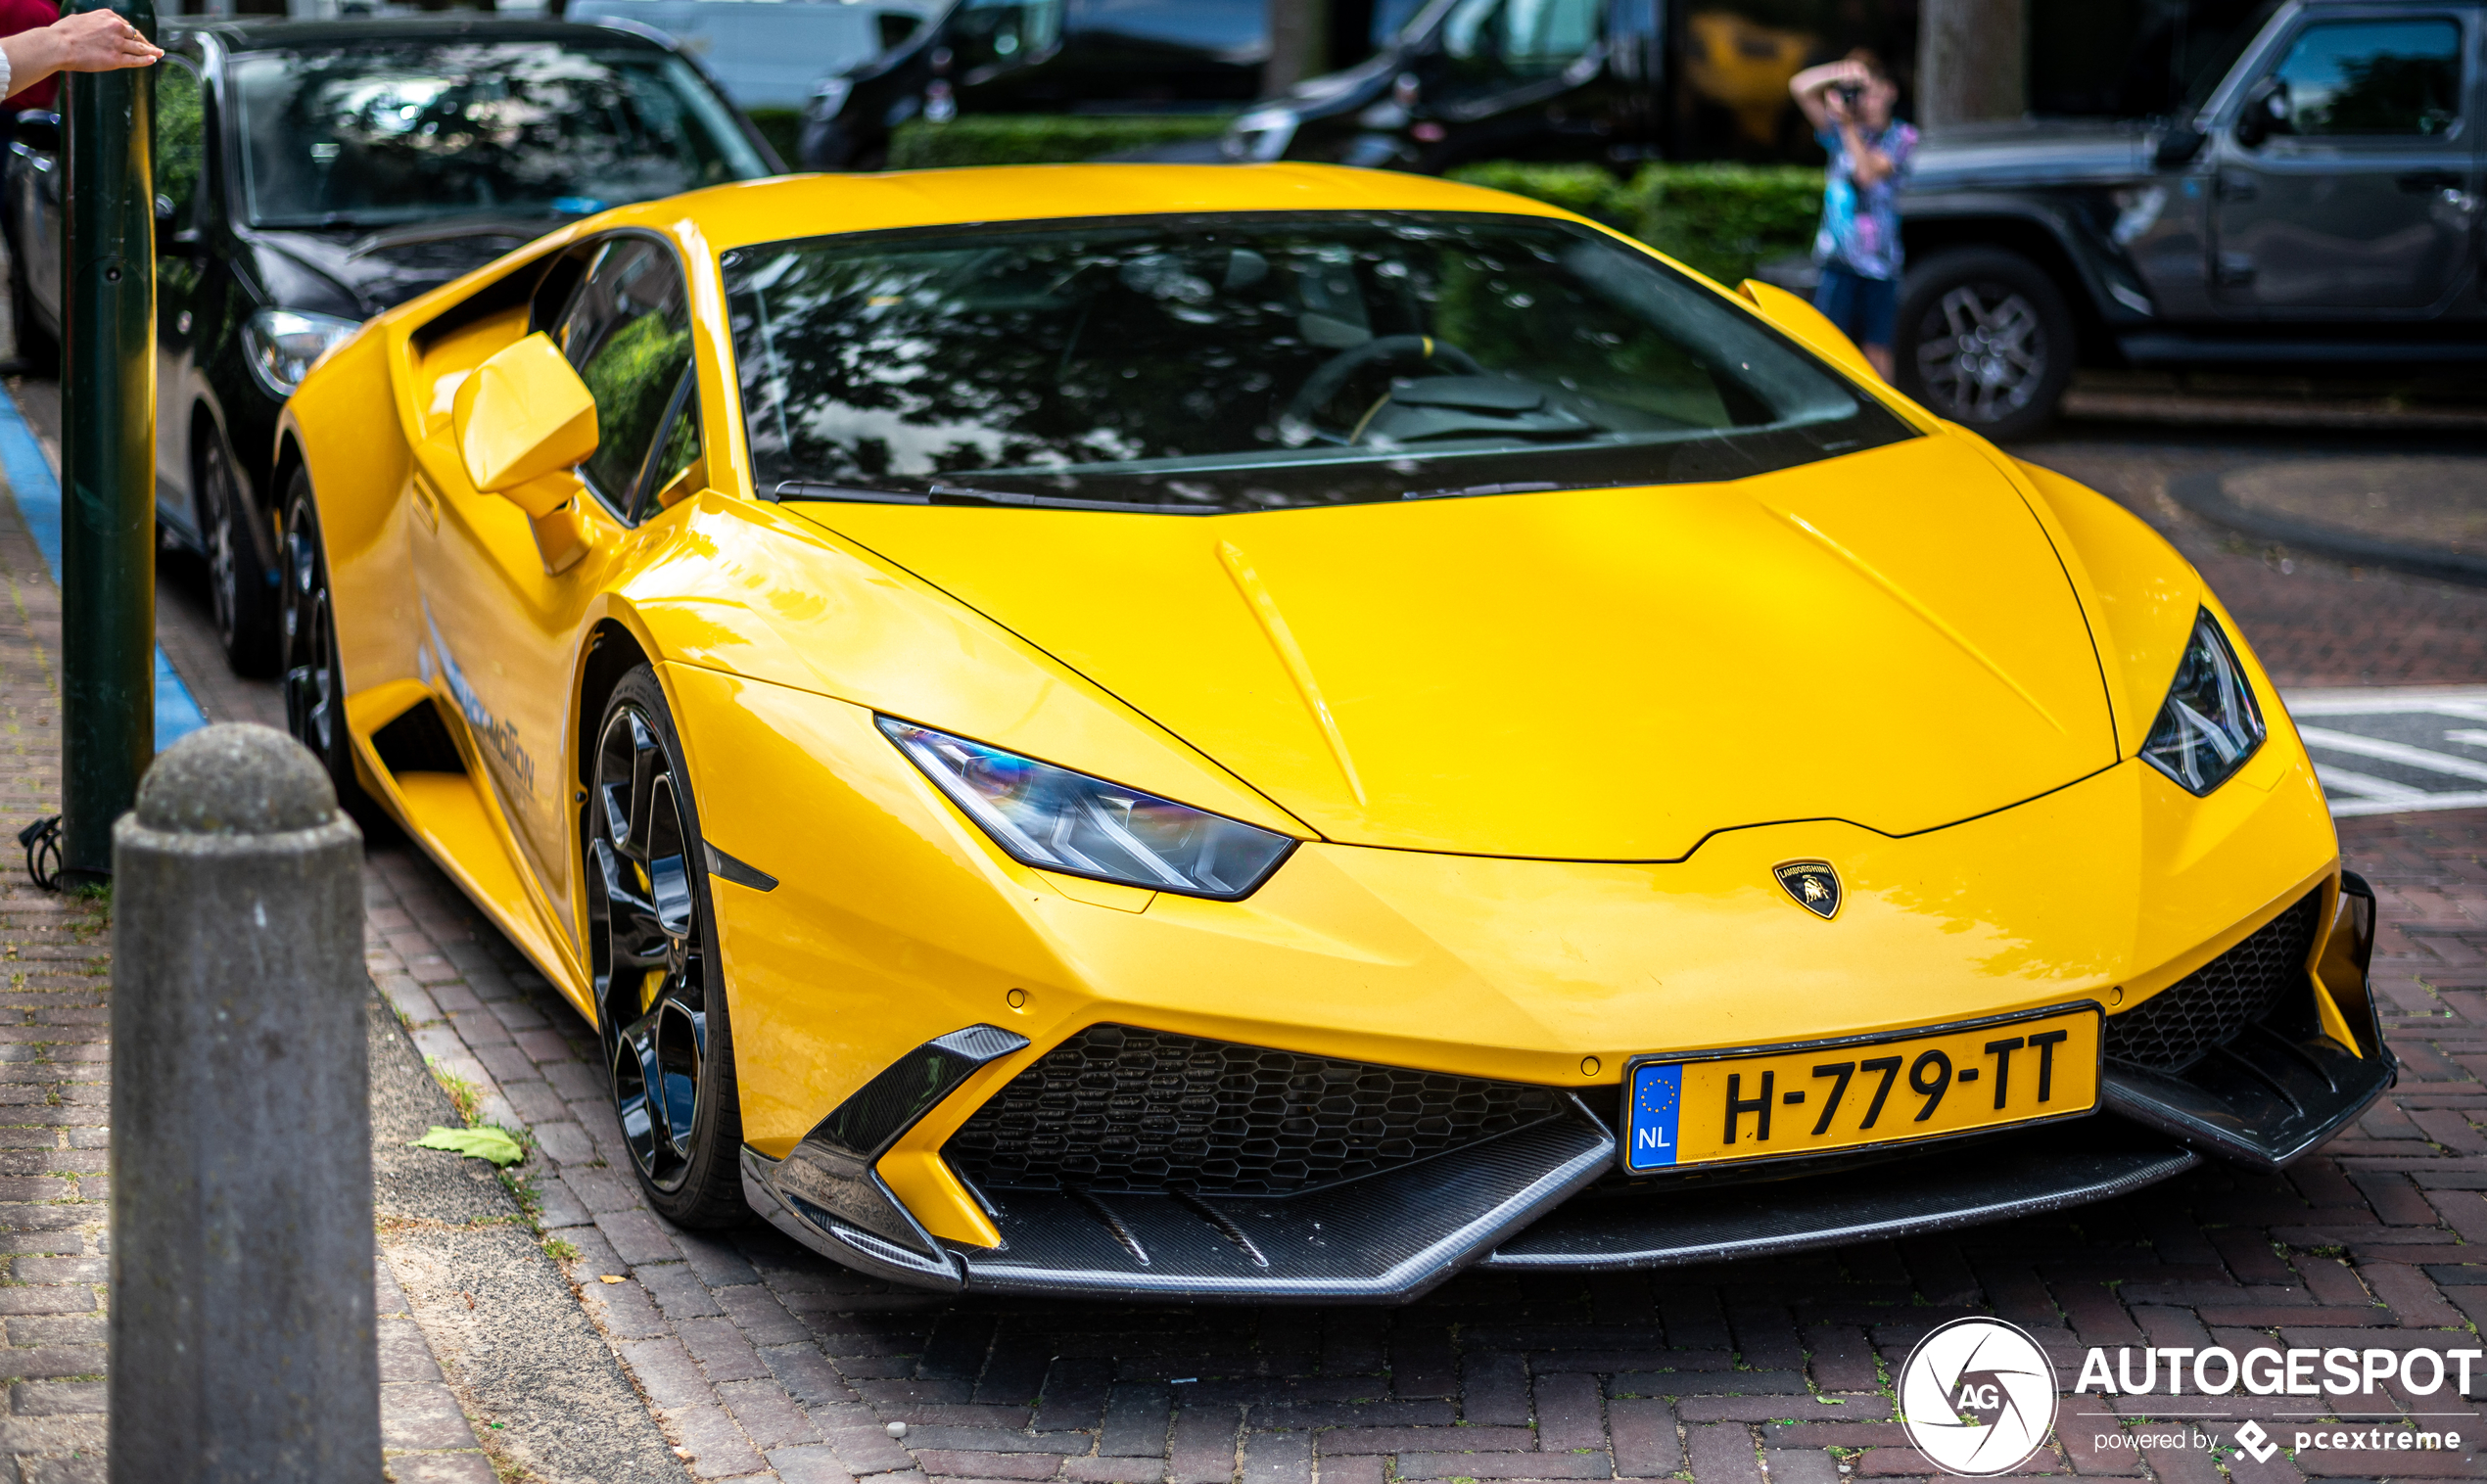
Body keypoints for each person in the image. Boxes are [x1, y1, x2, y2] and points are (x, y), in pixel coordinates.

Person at [1789, 50, 1914, 381]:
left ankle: (1887, 420)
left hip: (1880, 266)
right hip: (1837, 261)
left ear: (1891, 91)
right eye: (1861, 93)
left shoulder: (1901, 137)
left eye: (1872, 91)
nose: (1866, 101)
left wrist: (1847, 127)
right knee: (1825, 347)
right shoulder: (1839, 129)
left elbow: (1867, 174)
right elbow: (1799, 86)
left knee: (1877, 350)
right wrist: (1840, 71)